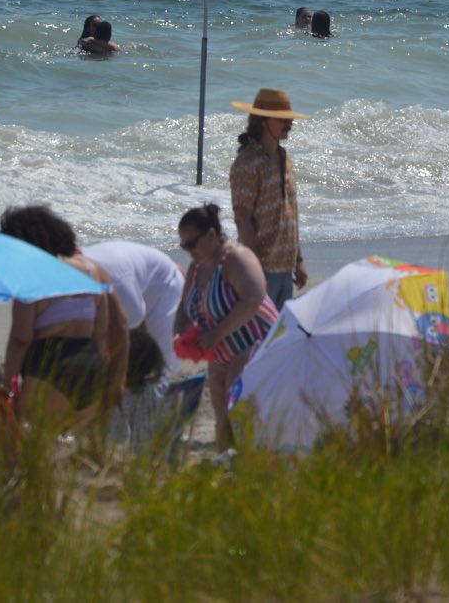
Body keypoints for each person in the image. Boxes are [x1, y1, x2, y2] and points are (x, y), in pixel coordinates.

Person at [0, 205, 128, 426]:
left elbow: (21, 338)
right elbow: (101, 334)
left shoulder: (33, 274)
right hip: (90, 365)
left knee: (41, 438)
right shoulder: (92, 270)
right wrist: (109, 376)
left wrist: (8, 387)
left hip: (49, 366)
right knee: (78, 440)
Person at [173, 204, 279, 454]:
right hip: (221, 348)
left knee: (237, 402)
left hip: (257, 341)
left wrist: (216, 333)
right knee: (220, 408)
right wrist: (178, 333)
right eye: (184, 246)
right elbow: (184, 306)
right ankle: (227, 462)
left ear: (211, 234)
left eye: (192, 244)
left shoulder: (236, 259)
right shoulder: (197, 267)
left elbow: (253, 299)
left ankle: (252, 460)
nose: (189, 251)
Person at [229, 87, 309, 309]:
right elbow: (242, 219)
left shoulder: (284, 157)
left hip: (286, 267)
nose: (290, 124)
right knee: (260, 330)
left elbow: (291, 212)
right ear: (263, 121)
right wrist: (254, 271)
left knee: (280, 330)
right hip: (263, 268)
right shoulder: (247, 163)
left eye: (289, 119)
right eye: (283, 120)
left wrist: (299, 260)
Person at [81, 239, 186, 381]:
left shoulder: (118, 288)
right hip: (131, 274)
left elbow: (131, 331)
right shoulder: (68, 273)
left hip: (166, 284)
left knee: (163, 365)